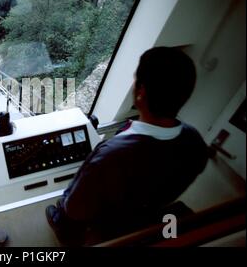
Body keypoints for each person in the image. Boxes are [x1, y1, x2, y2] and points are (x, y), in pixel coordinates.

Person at [46, 47, 209, 245]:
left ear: (141, 91)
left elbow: (76, 209)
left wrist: (66, 205)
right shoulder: (196, 143)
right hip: (145, 209)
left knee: (65, 208)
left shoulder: (110, 155)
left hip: (105, 221)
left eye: (135, 78)